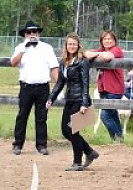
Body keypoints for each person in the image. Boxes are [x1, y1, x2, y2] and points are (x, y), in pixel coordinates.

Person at [46, 33, 99, 171]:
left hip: (79, 100)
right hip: (69, 99)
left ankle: (77, 162)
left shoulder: (82, 61)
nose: (71, 46)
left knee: (72, 130)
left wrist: (84, 103)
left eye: (74, 44)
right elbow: (59, 83)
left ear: (78, 45)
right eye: (69, 44)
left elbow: (85, 83)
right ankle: (89, 152)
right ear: (66, 45)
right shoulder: (63, 62)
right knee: (65, 130)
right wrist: (50, 98)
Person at [10, 21, 59, 155]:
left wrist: (58, 86)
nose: (32, 35)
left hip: (43, 87)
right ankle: (18, 144)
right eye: (29, 32)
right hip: (26, 87)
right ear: (25, 34)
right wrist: (23, 48)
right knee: (22, 116)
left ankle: (42, 145)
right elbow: (13, 62)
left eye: (35, 32)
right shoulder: (20, 47)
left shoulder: (47, 48)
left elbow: (54, 67)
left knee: (41, 117)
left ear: (38, 33)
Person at [84, 30, 125, 142]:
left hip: (114, 89)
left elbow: (107, 57)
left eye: (109, 39)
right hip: (104, 89)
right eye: (105, 39)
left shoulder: (117, 50)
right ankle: (119, 140)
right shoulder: (101, 50)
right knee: (113, 114)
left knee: (105, 116)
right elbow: (86, 54)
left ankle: (117, 139)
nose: (107, 41)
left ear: (114, 40)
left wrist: (98, 54)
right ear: (101, 41)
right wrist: (98, 53)